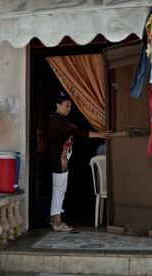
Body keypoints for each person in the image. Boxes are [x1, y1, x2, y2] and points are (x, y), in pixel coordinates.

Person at [46, 91, 112, 231]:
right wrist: (100, 134)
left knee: (59, 189)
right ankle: (57, 221)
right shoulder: (57, 121)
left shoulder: (58, 119)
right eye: (66, 105)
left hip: (60, 159)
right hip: (58, 159)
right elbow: (80, 133)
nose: (69, 109)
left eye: (70, 106)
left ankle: (54, 219)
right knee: (59, 190)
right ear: (58, 105)